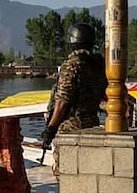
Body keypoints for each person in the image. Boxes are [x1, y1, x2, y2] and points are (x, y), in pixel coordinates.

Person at [40, 23, 108, 180]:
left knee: (66, 174)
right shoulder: (98, 64)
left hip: (70, 127)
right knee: (87, 172)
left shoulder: (72, 64)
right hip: (91, 124)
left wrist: (50, 129)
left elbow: (63, 101)